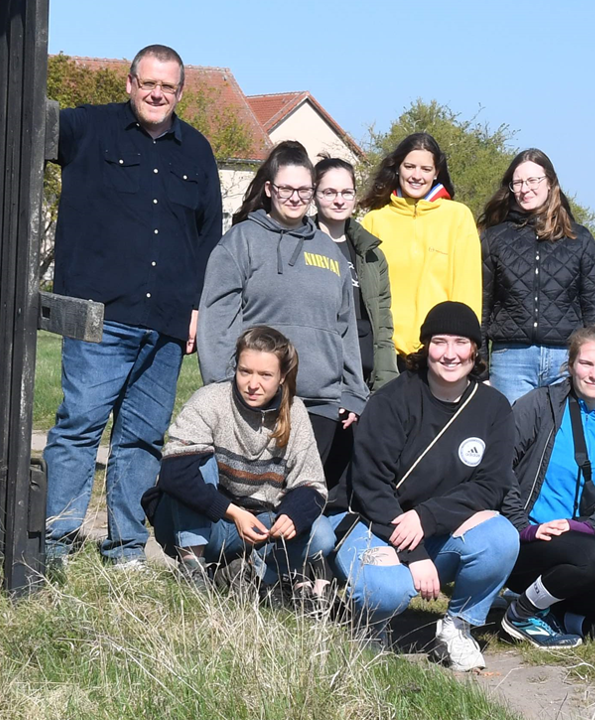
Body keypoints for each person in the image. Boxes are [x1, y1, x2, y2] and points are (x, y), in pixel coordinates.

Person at [44, 45, 223, 569]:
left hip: (166, 323)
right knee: (79, 427)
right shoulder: (87, 130)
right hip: (101, 316)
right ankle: (56, 543)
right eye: (148, 83)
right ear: (129, 83)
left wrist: (197, 310)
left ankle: (124, 550)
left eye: (168, 87)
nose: (156, 94)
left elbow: (209, 238)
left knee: (142, 438)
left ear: (180, 92)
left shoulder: (198, 152)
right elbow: (28, 119)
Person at [334, 302, 518, 672]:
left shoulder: (494, 407)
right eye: (439, 342)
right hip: (374, 525)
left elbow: (492, 484)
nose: (450, 354)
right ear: (424, 347)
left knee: (501, 538)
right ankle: (370, 624)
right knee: (387, 590)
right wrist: (415, 553)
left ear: (475, 350)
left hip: (434, 527)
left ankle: (457, 626)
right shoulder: (390, 401)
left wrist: (426, 517)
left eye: (461, 342)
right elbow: (370, 487)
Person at [198, 141, 368, 511]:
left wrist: (354, 389)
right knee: (254, 501)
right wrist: (223, 384)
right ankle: (236, 564)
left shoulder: (329, 251)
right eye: (287, 188)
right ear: (270, 189)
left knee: (301, 504)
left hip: (321, 402)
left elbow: (344, 327)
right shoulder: (240, 242)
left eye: (304, 190)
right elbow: (217, 317)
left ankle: (289, 569)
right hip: (259, 400)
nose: (295, 197)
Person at [498, 323, 595, 647]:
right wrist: (522, 527)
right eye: (586, 364)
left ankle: (551, 613)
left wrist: (589, 527)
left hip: (585, 544)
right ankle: (522, 612)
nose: (594, 374)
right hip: (530, 542)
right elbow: (499, 468)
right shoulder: (539, 405)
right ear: (570, 366)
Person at [144, 326, 326, 594]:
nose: (253, 384)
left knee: (322, 534)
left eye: (265, 375)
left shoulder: (295, 412)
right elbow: (174, 474)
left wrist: (292, 514)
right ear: (236, 368)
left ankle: (259, 576)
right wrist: (232, 512)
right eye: (245, 372)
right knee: (193, 462)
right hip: (202, 522)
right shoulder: (210, 400)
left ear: (282, 377)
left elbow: (314, 485)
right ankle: (193, 568)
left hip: (257, 527)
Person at [481, 149, 595, 405]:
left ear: (550, 183)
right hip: (510, 360)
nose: (524, 189)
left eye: (533, 180)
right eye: (517, 182)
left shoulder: (579, 239)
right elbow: (481, 307)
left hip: (566, 359)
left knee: (562, 440)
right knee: (514, 440)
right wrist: (481, 369)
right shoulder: (493, 238)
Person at [360, 133, 482, 365]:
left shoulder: (458, 217)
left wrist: (461, 346)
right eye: (409, 166)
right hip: (385, 354)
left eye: (426, 169)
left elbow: (468, 292)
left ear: (436, 172)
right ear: (398, 168)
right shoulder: (374, 221)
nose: (417, 175)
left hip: (440, 352)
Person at [315, 156, 398, 391]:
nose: (339, 200)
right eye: (329, 192)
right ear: (314, 194)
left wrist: (385, 385)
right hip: (315, 380)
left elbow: (382, 326)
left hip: (361, 377)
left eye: (347, 192)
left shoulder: (371, 255)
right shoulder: (298, 246)